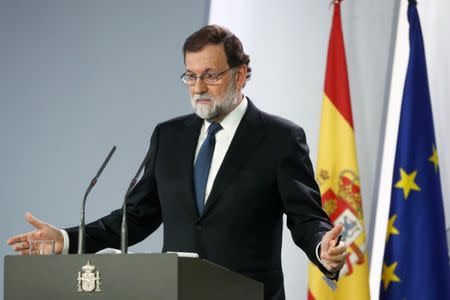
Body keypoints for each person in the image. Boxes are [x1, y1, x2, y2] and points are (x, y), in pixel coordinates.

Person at [8, 25, 346, 300]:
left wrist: (322, 248)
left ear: (241, 74)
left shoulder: (279, 138)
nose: (198, 87)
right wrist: (67, 240)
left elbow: (306, 217)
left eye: (211, 76)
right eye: (190, 76)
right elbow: (135, 217)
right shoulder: (169, 136)